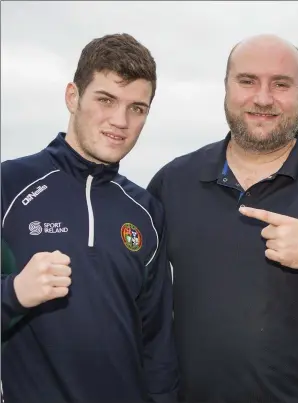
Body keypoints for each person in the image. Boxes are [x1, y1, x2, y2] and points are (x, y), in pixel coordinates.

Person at [147, 34, 298, 403]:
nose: (263, 98)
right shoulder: (173, 182)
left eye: (280, 84)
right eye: (248, 81)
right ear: (226, 88)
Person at [1, 33, 179, 403]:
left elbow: (157, 341)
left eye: (137, 108)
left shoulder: (145, 209)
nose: (120, 121)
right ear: (73, 96)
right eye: (106, 100)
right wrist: (13, 293)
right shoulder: (9, 186)